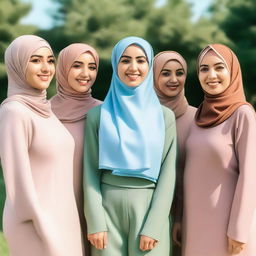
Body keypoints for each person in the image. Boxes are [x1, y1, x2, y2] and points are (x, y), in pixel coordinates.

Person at [83, 36, 177, 256]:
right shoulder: (98, 116)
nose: (133, 67)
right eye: (125, 60)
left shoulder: (165, 117)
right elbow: (89, 171)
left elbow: (168, 174)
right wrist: (96, 221)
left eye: (141, 61)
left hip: (149, 209)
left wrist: (154, 225)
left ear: (150, 65)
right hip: (107, 211)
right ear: (116, 65)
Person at [0, 35, 83, 256]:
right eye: (36, 60)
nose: (46, 68)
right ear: (17, 65)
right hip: (35, 226)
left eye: (50, 60)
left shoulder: (46, 110)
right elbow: (18, 185)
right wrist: (46, 231)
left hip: (64, 222)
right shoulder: (14, 112)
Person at [183, 44, 256, 256]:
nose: (211, 75)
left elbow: (250, 175)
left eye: (219, 67)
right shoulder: (198, 117)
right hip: (195, 226)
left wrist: (239, 229)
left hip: (229, 231)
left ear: (232, 71)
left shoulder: (242, 114)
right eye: (204, 69)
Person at [51, 43, 102, 255]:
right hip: (55, 208)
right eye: (77, 65)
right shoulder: (43, 112)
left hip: (97, 209)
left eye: (92, 67)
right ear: (62, 68)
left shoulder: (104, 112)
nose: (85, 73)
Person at [153, 51, 197, 255]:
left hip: (190, 215)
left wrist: (181, 216)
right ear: (152, 76)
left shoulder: (199, 119)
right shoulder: (141, 119)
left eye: (179, 73)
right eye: (165, 73)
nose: (173, 79)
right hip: (148, 216)